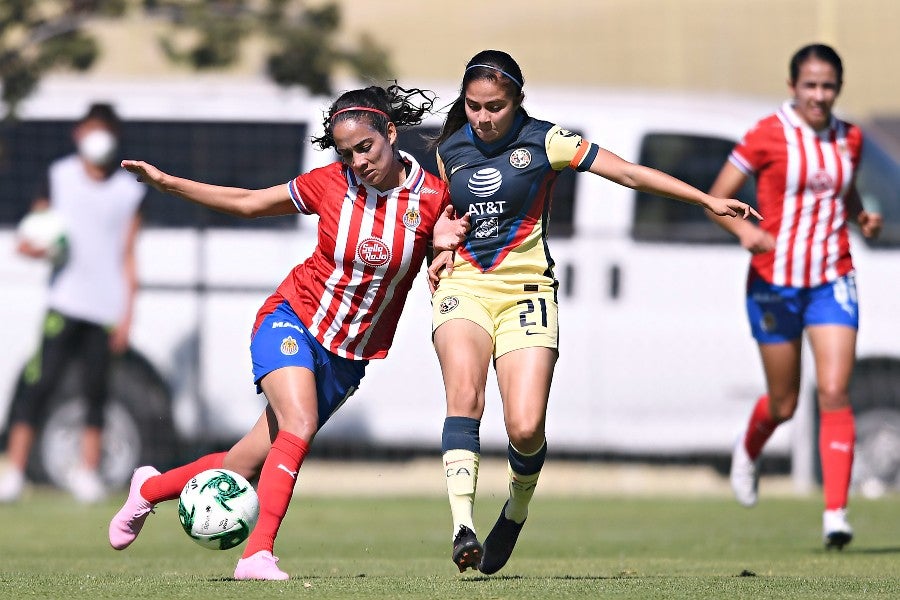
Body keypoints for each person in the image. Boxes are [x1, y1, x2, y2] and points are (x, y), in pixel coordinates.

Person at [106, 84, 470, 581]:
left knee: (243, 463)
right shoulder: (329, 184)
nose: (358, 161)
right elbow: (248, 202)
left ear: (390, 132)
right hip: (292, 317)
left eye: (365, 147)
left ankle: (148, 491)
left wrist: (444, 251)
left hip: (346, 359)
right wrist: (169, 183)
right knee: (297, 424)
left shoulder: (432, 197)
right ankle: (257, 555)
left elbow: (440, 252)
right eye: (347, 153)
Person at [428, 50, 762, 574]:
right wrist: (437, 244)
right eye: (473, 107)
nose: (483, 118)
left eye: (495, 106)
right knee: (464, 395)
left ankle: (515, 509)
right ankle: (462, 527)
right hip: (464, 287)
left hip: (527, 292)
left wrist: (705, 200)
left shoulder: (548, 140)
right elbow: (436, 218)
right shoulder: (449, 151)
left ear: (517, 101)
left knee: (525, 427)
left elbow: (627, 173)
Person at [707, 43, 882, 550]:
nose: (819, 95)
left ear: (838, 89)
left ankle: (836, 514)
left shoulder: (850, 137)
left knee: (834, 391)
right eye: (810, 85)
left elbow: (839, 194)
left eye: (828, 86)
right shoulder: (767, 134)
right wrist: (746, 235)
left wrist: (861, 216)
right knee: (784, 402)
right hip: (773, 281)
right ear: (793, 87)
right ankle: (749, 447)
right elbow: (718, 200)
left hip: (832, 277)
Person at [0, 103, 146, 504]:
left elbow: (129, 255)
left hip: (105, 308)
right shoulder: (59, 176)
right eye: (91, 129)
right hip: (64, 302)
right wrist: (34, 248)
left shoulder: (129, 190)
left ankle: (87, 472)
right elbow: (34, 231)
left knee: (95, 391)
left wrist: (127, 316)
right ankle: (14, 473)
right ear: (79, 133)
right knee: (39, 383)